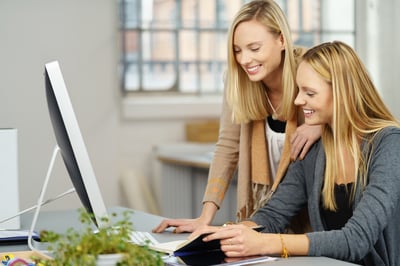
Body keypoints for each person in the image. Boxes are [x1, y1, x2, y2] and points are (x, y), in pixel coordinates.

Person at [196, 41, 400, 265]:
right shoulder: (316, 147)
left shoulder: (389, 144)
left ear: (344, 93)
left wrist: (265, 243)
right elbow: (273, 215)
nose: (298, 100)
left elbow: (355, 240)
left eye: (309, 93)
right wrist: (231, 234)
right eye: (298, 90)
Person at [153, 0, 321, 234]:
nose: (244, 60)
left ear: (281, 39)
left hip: (314, 215)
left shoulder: (313, 69)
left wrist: (322, 127)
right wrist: (205, 216)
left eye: (254, 48)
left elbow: (359, 116)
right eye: (237, 50)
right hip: (267, 216)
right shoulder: (237, 81)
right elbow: (227, 146)